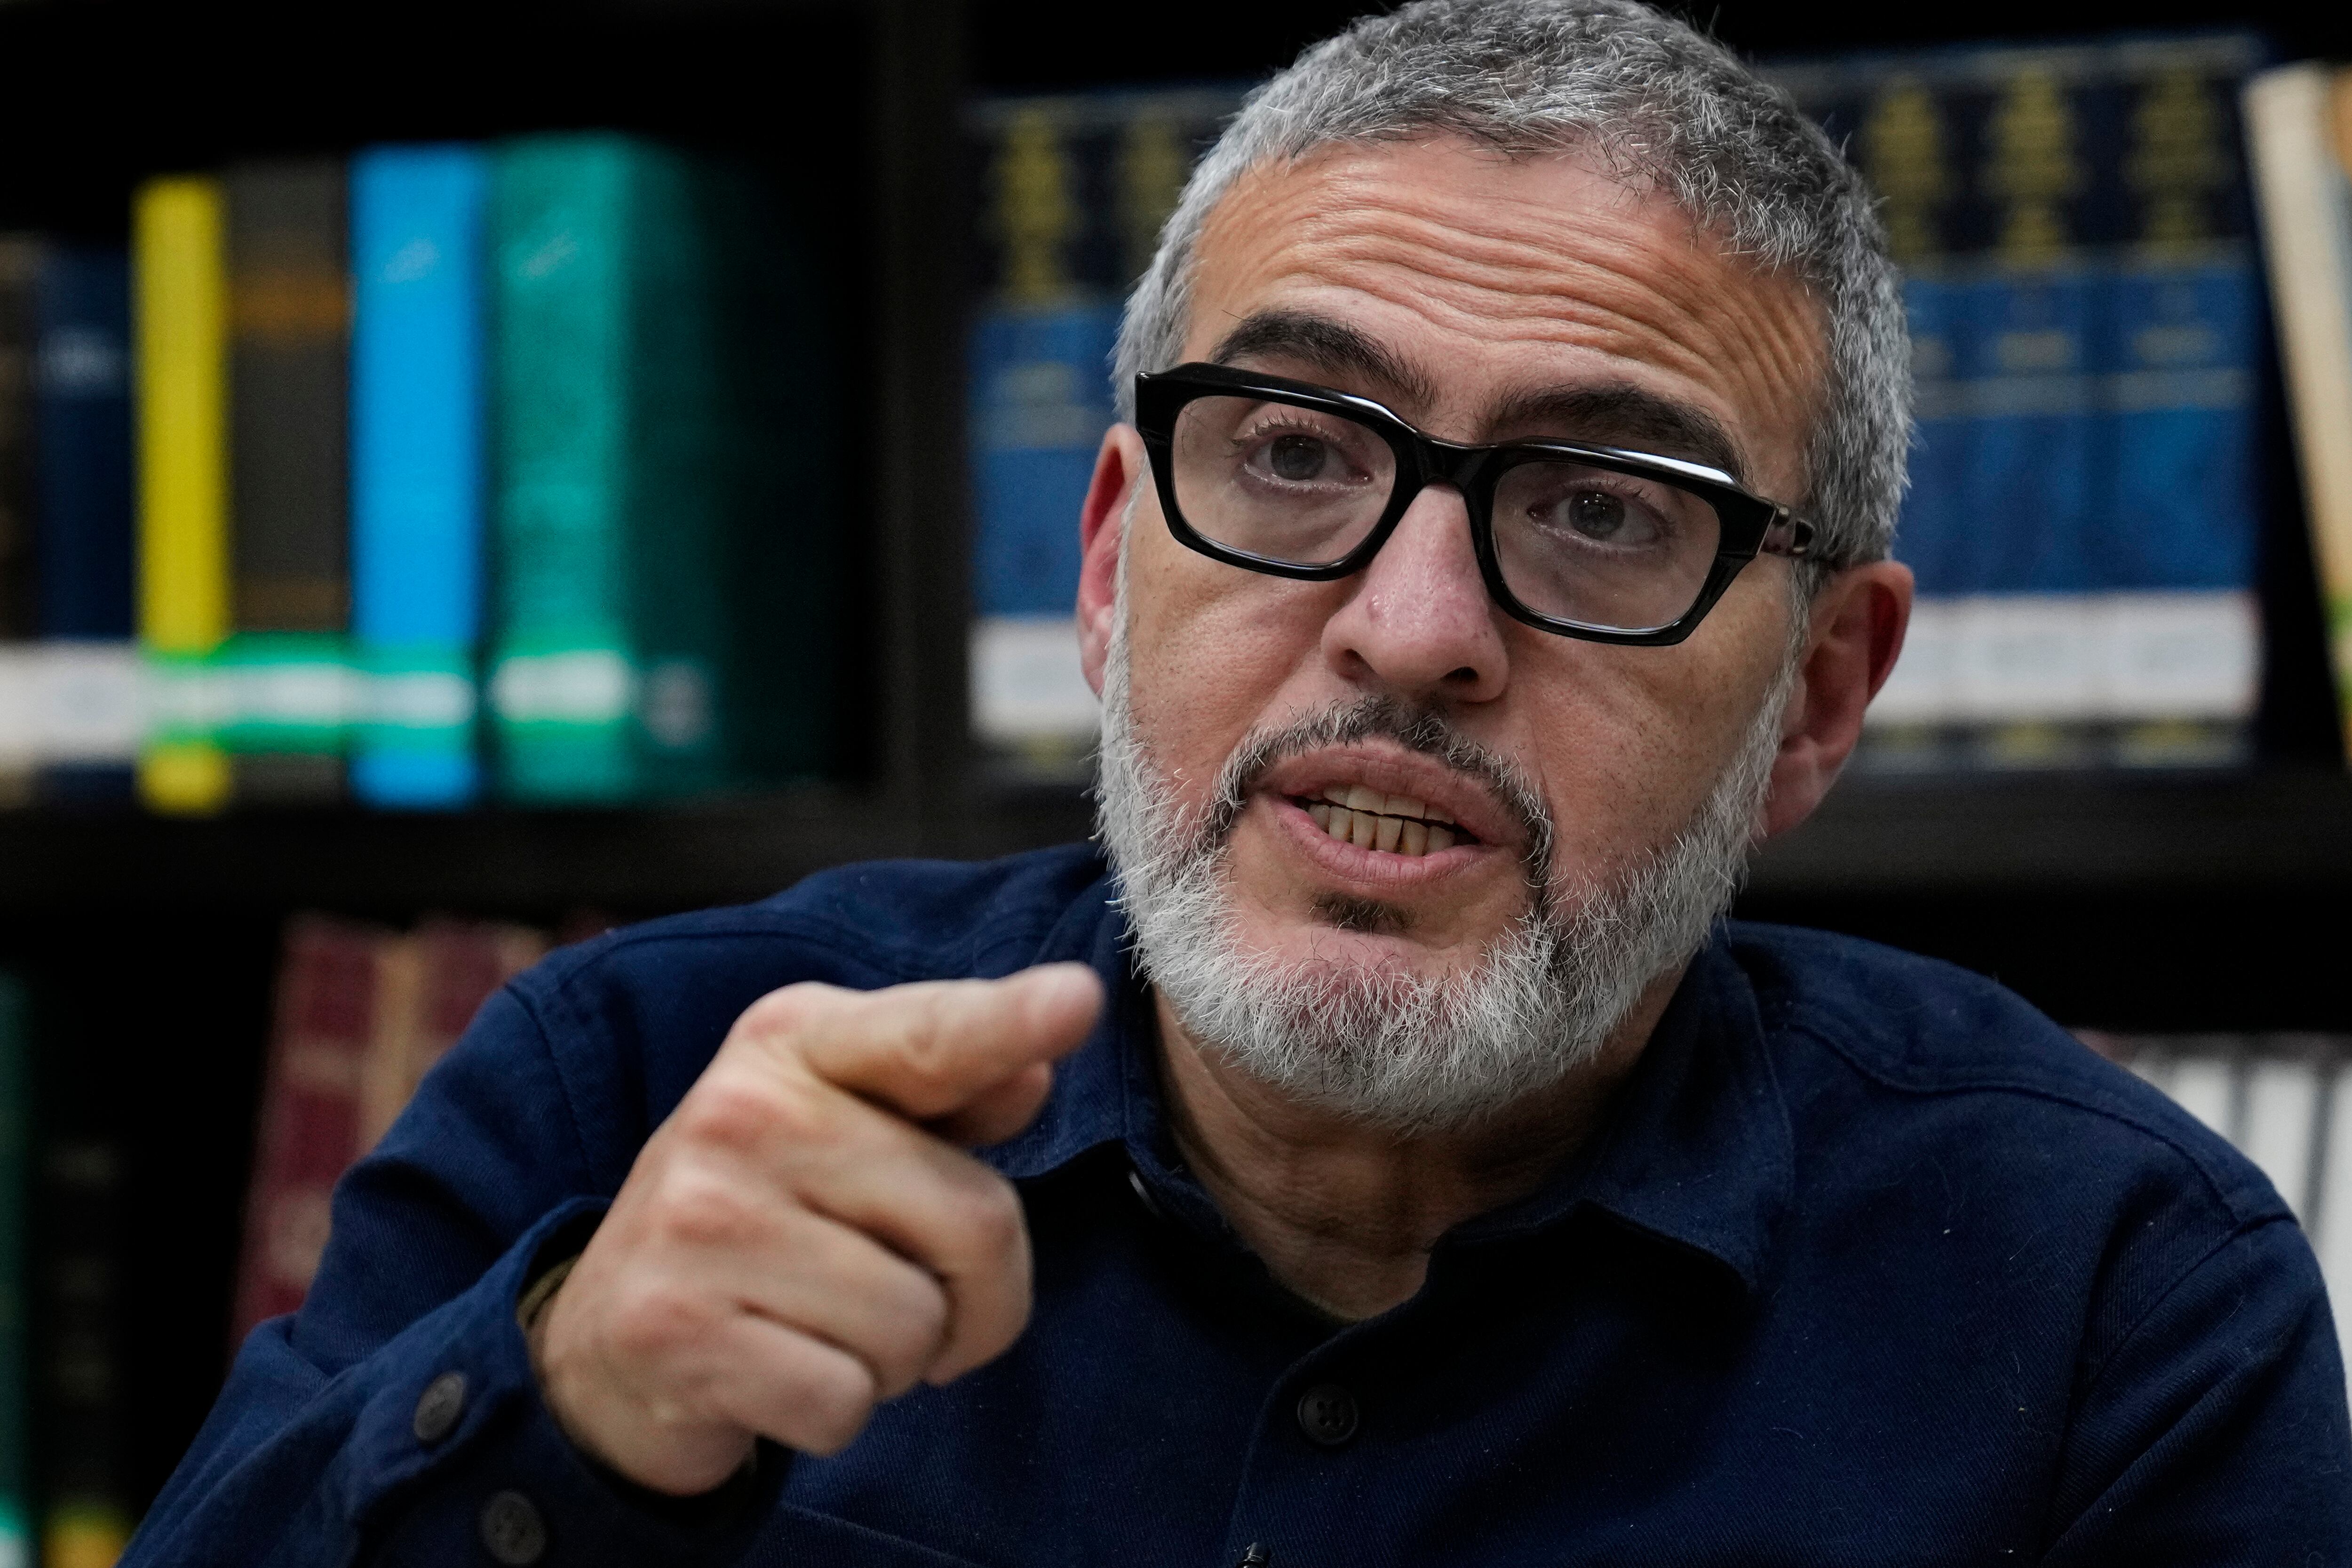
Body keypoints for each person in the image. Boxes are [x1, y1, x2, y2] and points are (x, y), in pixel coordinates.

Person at [128, 2, 2348, 1563]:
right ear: (1111, 567)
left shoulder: (2109, 1300)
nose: (1410, 626)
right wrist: (577, 1409)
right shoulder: (629, 1089)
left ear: (1819, 696)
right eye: (1290, 453)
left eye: (1599, 509)